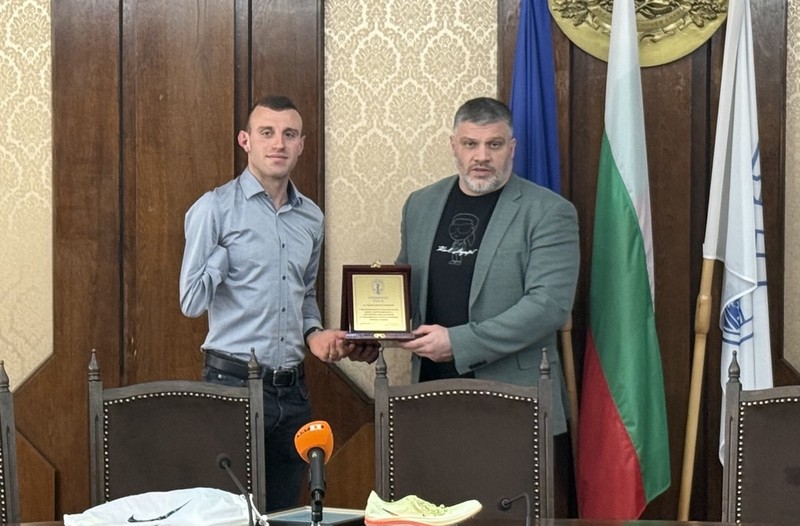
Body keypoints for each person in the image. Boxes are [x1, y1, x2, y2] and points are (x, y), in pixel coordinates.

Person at [179, 95, 350, 511]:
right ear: (246, 140)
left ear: (301, 145)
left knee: (285, 513)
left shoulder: (311, 217)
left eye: (289, 134)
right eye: (267, 133)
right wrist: (222, 256)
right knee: (231, 514)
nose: (278, 143)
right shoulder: (214, 208)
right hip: (232, 385)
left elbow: (305, 293)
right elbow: (191, 300)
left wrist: (314, 333)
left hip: (293, 393)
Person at [394, 97, 579, 436]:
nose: (481, 156)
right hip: (431, 390)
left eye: (494, 144)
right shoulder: (420, 204)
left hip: (515, 399)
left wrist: (459, 343)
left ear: (512, 148)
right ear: (453, 146)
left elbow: (548, 306)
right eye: (470, 144)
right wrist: (372, 331)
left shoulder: (549, 211)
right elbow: (403, 283)